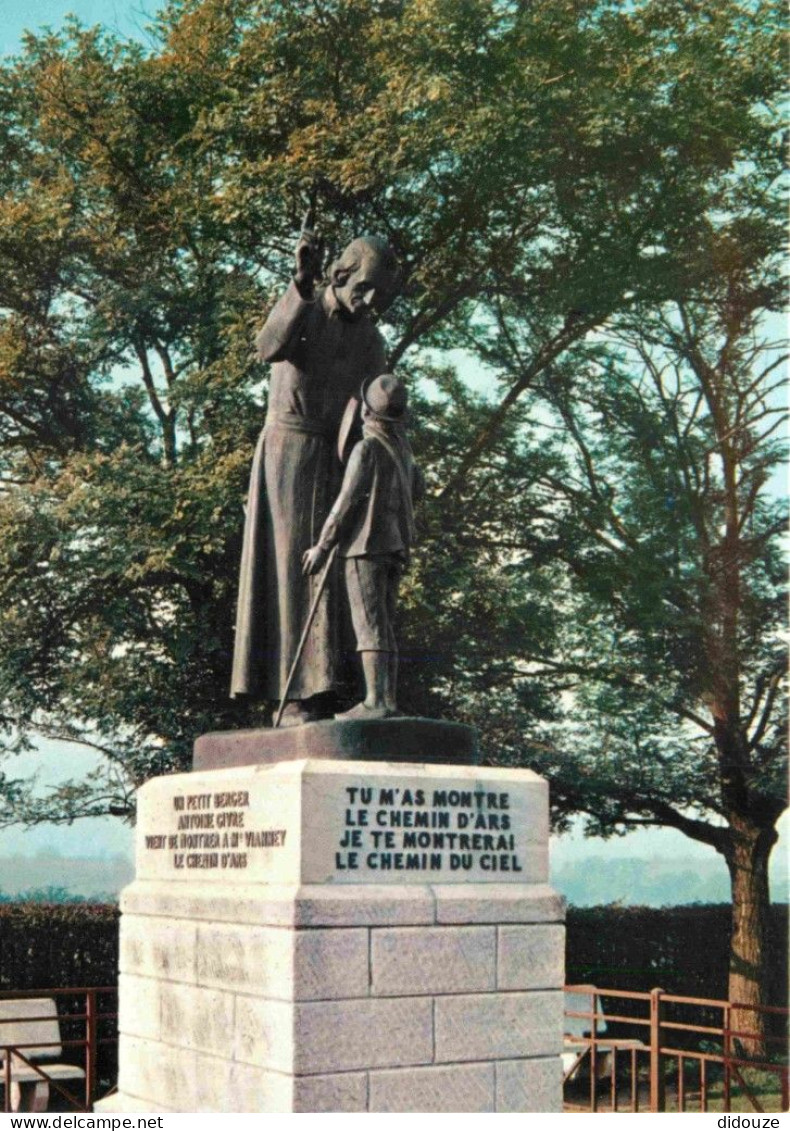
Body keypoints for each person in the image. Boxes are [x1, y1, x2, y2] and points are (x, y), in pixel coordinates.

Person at [230, 228, 400, 726]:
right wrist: (300, 284)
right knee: (290, 568)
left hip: (339, 456)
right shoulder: (306, 305)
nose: (368, 301)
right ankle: (293, 696)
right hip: (288, 451)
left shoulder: (370, 337)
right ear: (341, 273)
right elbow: (267, 347)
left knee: (335, 573)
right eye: (363, 287)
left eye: (378, 295)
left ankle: (324, 689)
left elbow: (377, 407)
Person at [302, 374, 422, 719]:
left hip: (365, 547)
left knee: (369, 626)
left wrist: (321, 548)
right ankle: (388, 701)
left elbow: (345, 502)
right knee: (384, 626)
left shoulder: (366, 449)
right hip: (396, 547)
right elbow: (418, 491)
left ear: (367, 413)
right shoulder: (404, 452)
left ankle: (374, 703)